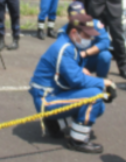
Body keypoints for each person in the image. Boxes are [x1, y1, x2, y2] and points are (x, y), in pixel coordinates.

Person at [29, 13, 114, 153]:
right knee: (95, 96)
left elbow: (73, 75)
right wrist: (102, 82)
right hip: (46, 99)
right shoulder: (65, 48)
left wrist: (83, 72)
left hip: (53, 94)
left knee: (99, 106)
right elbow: (76, 81)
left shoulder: (69, 44)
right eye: (87, 36)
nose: (90, 39)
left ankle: (55, 123)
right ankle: (77, 141)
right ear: (74, 32)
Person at [59, 1, 112, 78]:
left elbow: (105, 42)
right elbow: (63, 55)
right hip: (74, 61)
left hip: (90, 59)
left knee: (105, 56)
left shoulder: (95, 25)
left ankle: (102, 80)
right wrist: (78, 69)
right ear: (69, 18)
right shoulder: (63, 32)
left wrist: (86, 53)